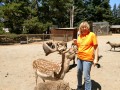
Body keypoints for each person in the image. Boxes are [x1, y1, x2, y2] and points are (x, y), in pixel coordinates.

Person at [73, 21, 99, 90]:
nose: (84, 28)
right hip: (79, 58)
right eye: (82, 27)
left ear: (88, 28)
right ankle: (79, 87)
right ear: (80, 28)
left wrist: (96, 59)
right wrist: (76, 43)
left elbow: (96, 48)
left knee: (86, 76)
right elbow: (79, 47)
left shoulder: (92, 35)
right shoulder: (79, 36)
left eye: (85, 27)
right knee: (78, 73)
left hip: (88, 59)